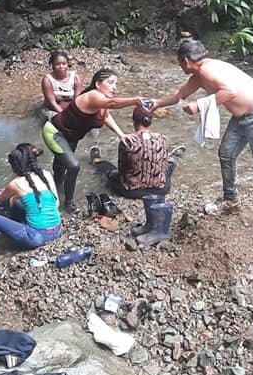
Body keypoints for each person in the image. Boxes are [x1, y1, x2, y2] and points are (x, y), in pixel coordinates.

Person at [152, 38, 253, 242]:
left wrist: (199, 105)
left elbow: (229, 92)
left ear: (185, 61)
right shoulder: (200, 74)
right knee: (226, 154)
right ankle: (230, 201)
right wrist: (156, 104)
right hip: (242, 118)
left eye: (178, 62)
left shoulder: (208, 70)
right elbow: (178, 95)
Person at [42, 68, 151, 214]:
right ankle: (68, 204)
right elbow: (112, 103)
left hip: (71, 137)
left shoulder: (101, 103)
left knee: (61, 167)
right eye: (110, 83)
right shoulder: (93, 95)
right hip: (55, 132)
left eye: (116, 84)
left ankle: (55, 189)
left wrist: (121, 134)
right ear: (98, 84)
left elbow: (105, 116)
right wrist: (134, 100)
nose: (114, 87)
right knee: (73, 166)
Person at [88, 106, 186, 245]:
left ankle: (96, 159)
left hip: (132, 190)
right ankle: (174, 157)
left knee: (109, 170)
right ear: (151, 121)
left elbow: (122, 169)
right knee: (166, 166)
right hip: (161, 189)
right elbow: (161, 164)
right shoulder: (163, 139)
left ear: (134, 121)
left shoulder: (127, 141)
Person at [0, 143, 62, 255]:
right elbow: (56, 203)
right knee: (17, 202)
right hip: (57, 229)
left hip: (37, 237)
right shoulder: (46, 175)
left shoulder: (16, 184)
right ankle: (16, 224)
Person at [39, 51, 85, 121]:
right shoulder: (47, 80)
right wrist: (64, 115)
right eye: (57, 64)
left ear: (68, 64)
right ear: (52, 65)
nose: (61, 67)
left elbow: (77, 100)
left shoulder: (75, 78)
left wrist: (75, 114)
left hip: (70, 109)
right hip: (52, 109)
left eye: (64, 64)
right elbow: (52, 102)